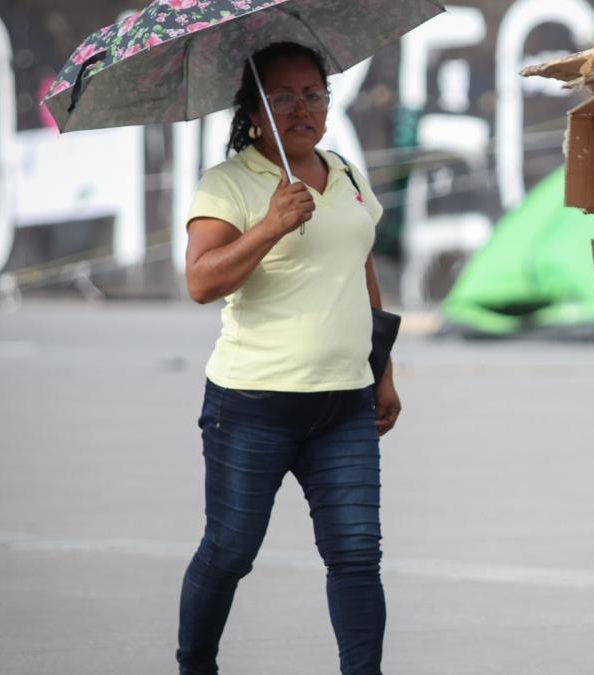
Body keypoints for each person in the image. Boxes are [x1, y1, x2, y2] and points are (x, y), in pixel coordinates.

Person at [176, 41, 401, 675]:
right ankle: (196, 666)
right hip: (252, 407)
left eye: (313, 94)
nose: (300, 109)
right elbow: (200, 281)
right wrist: (270, 225)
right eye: (282, 97)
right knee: (229, 551)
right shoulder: (228, 185)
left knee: (357, 555)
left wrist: (381, 371)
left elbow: (360, 271)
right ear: (252, 109)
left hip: (345, 405)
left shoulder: (346, 173)